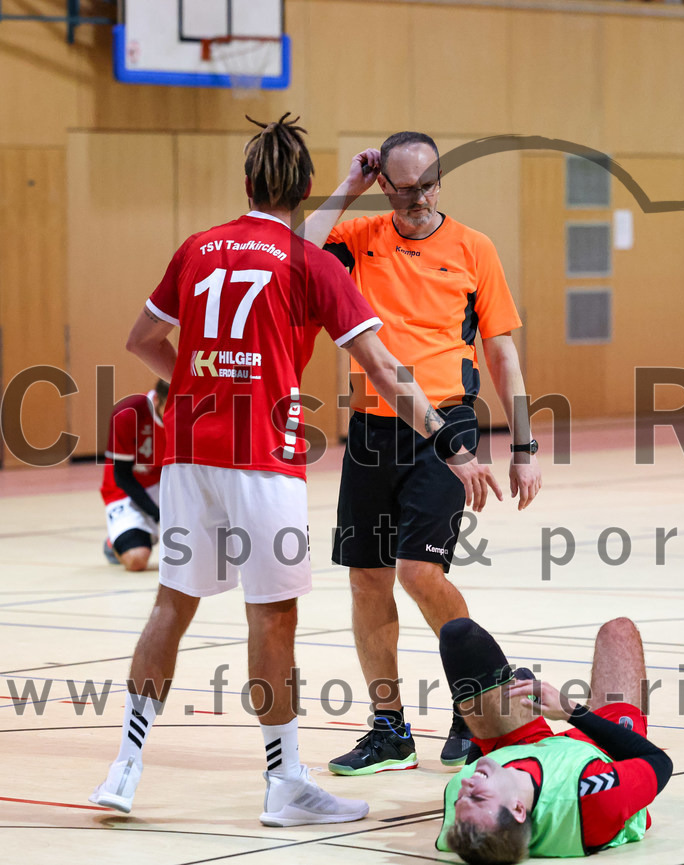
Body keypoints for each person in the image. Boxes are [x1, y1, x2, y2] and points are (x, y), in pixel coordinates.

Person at [88, 114, 498, 826]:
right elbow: (387, 373)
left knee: (171, 604)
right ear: (306, 188)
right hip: (261, 459)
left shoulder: (198, 248)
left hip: (189, 454)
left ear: (248, 182)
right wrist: (449, 441)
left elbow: (143, 338)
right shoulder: (309, 264)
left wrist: (192, 383)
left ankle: (124, 767)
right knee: (272, 615)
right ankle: (284, 785)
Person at [300, 132, 542, 774]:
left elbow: (502, 352)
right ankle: (389, 729)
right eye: (404, 188)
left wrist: (523, 443)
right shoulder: (359, 237)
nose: (417, 199)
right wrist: (347, 188)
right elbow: (295, 253)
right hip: (373, 429)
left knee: (418, 571)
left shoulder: (473, 248)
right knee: (367, 577)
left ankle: (477, 708)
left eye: (428, 184)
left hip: (448, 427)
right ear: (386, 184)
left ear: (442, 179)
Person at [433, 617, 671, 863]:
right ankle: (517, 700)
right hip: (600, 751)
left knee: (458, 636)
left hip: (520, 752)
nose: (466, 788)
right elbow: (659, 762)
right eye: (478, 797)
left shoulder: (462, 802)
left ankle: (512, 703)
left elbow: (472, 782)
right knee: (618, 631)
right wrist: (570, 711)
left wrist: (480, 734)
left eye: (462, 799)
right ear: (517, 808)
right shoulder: (591, 794)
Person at [100, 380, 167, 571]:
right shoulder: (128, 413)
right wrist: (159, 515)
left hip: (165, 483)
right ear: (156, 401)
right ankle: (116, 542)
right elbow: (122, 476)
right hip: (126, 489)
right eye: (171, 409)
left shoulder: (192, 412)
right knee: (136, 560)